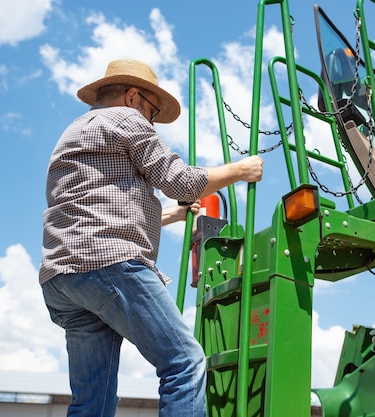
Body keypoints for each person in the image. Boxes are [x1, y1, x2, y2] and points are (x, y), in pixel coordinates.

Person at [39, 58, 263, 417]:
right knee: (185, 363)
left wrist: (175, 214)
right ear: (132, 97)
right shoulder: (127, 119)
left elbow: (101, 205)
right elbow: (181, 181)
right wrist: (241, 170)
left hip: (63, 276)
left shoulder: (74, 132)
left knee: (92, 398)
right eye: (153, 111)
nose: (152, 121)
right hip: (110, 264)